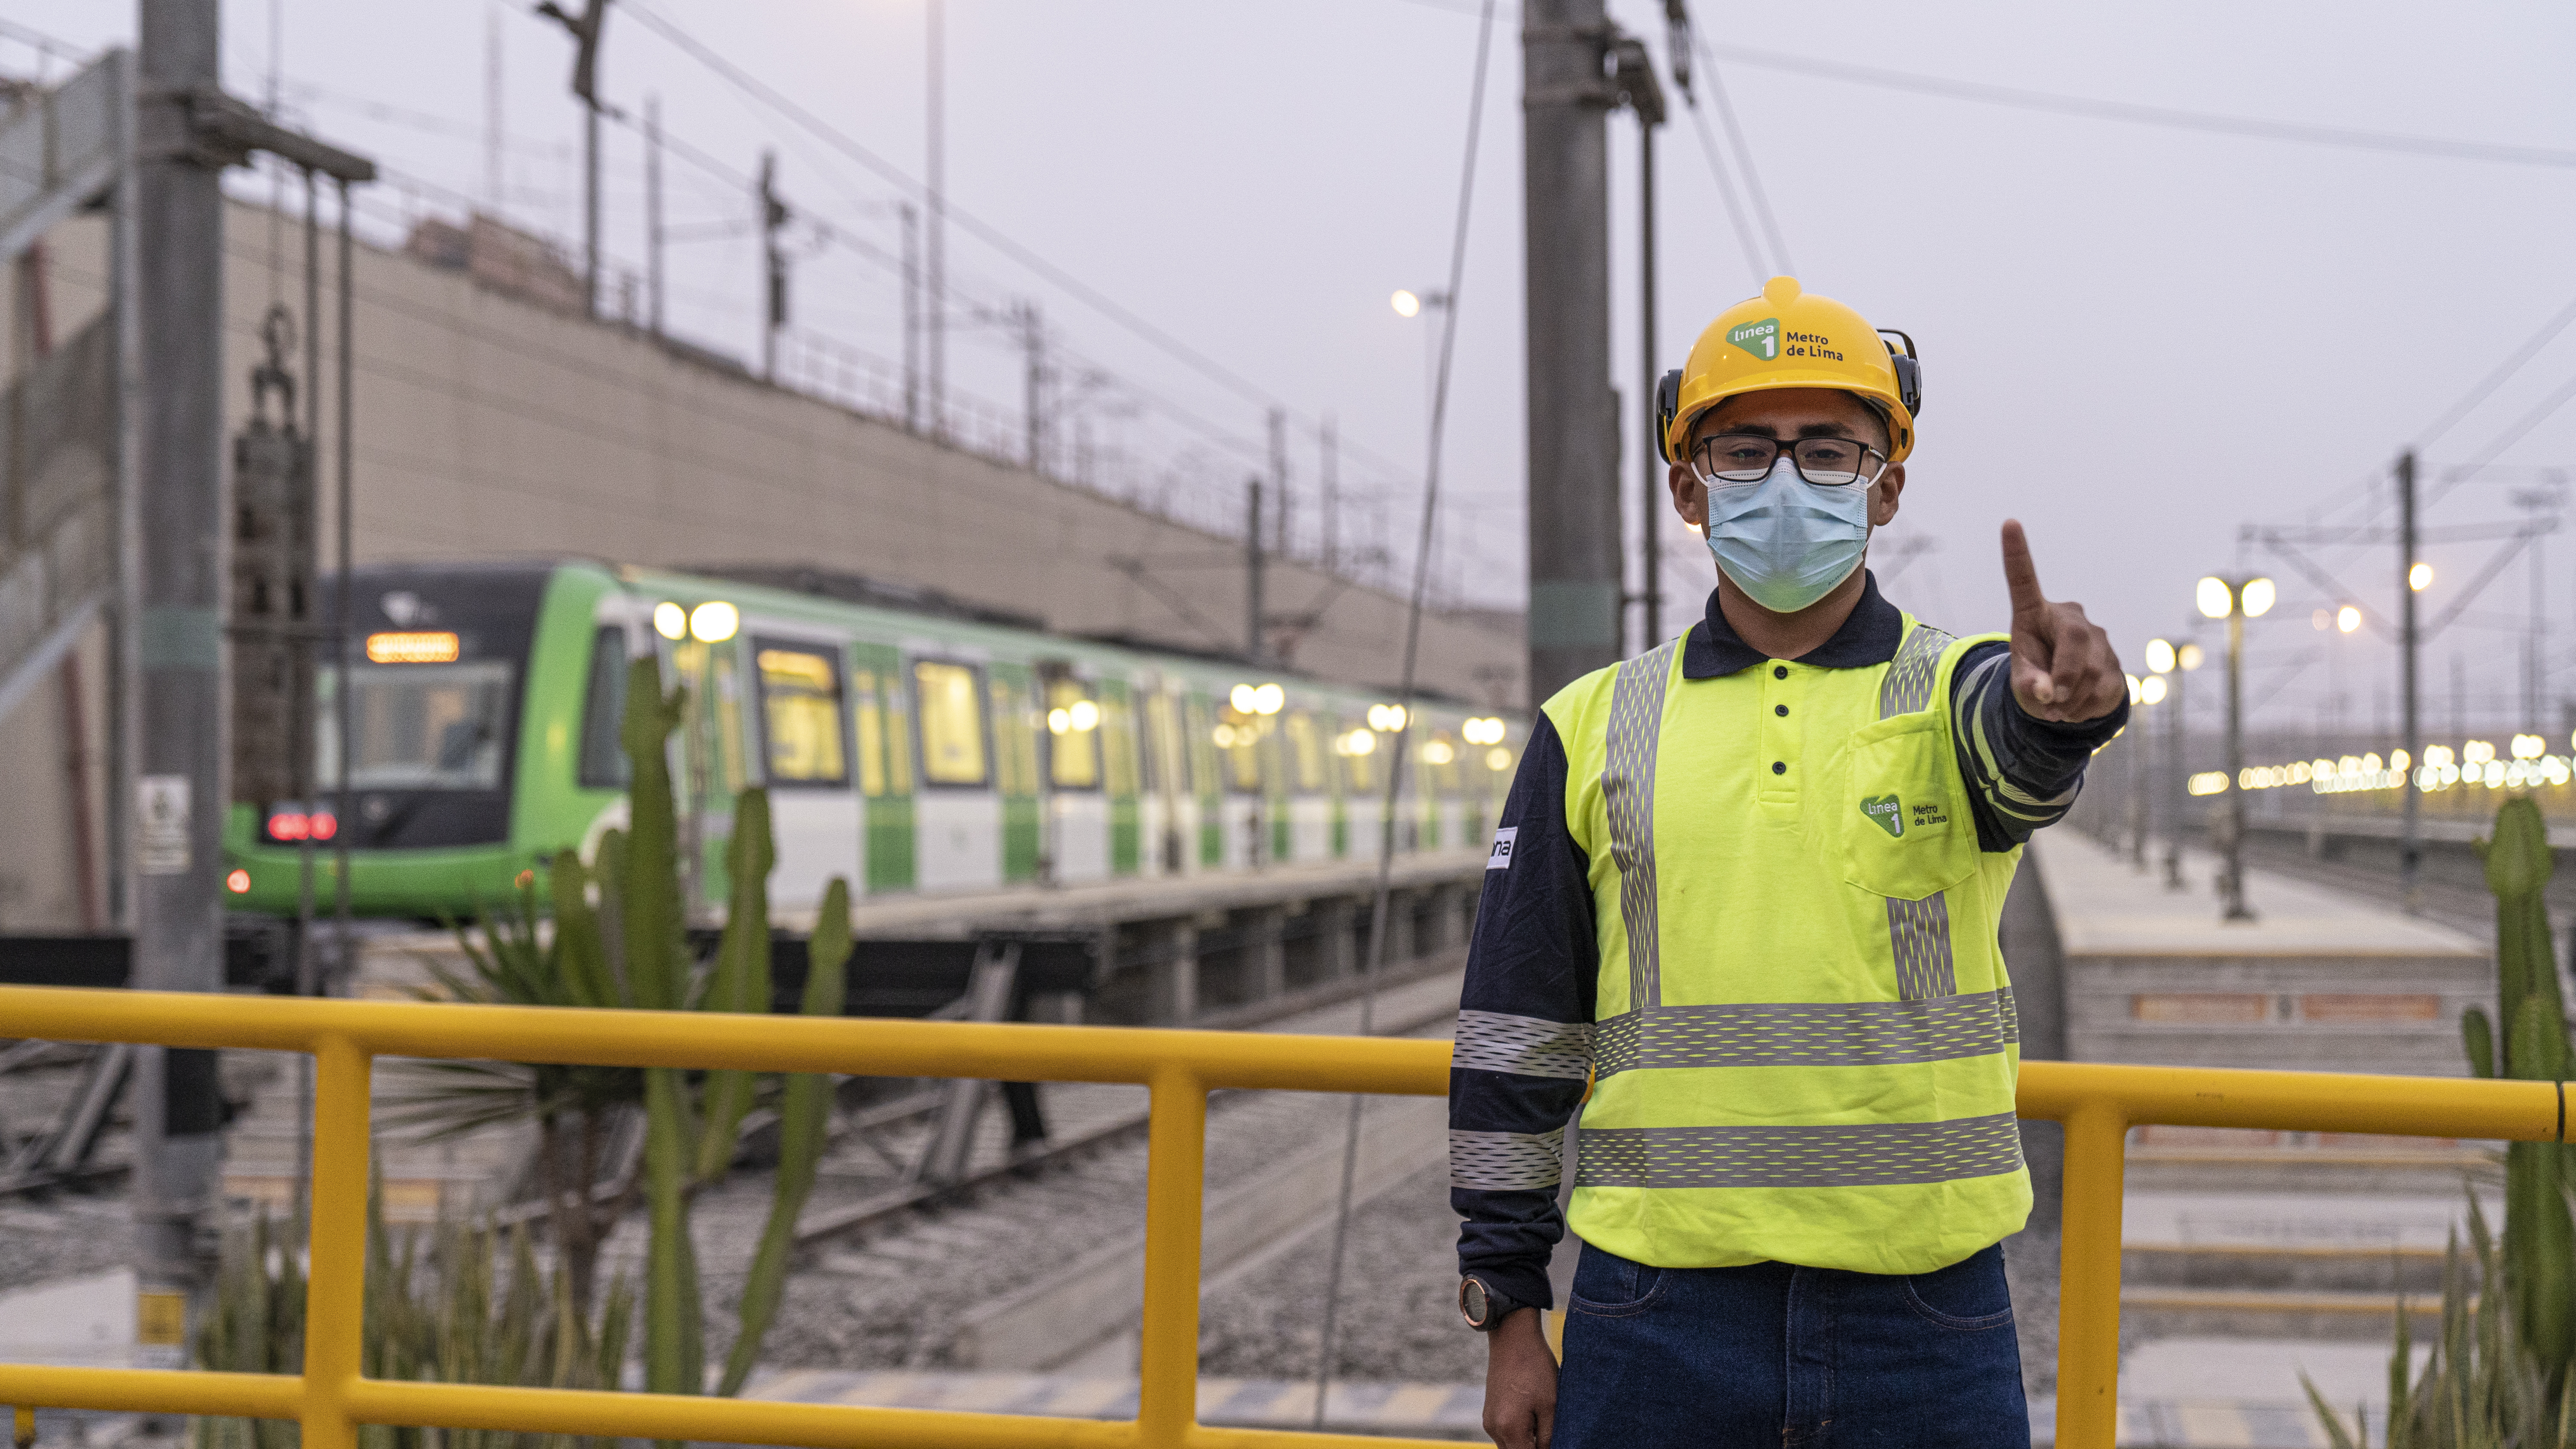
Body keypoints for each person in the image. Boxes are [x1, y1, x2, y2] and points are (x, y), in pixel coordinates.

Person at [1451, 276, 2128, 1447]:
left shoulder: (1958, 688)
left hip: (1925, 1314)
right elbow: (1518, 1029)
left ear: (1887, 486)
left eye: (1829, 452)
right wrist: (1510, 1307)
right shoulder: (1592, 723)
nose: (1783, 481)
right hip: (1654, 1311)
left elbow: (2019, 763)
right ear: (1687, 489)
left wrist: (2064, 716)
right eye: (1745, 450)